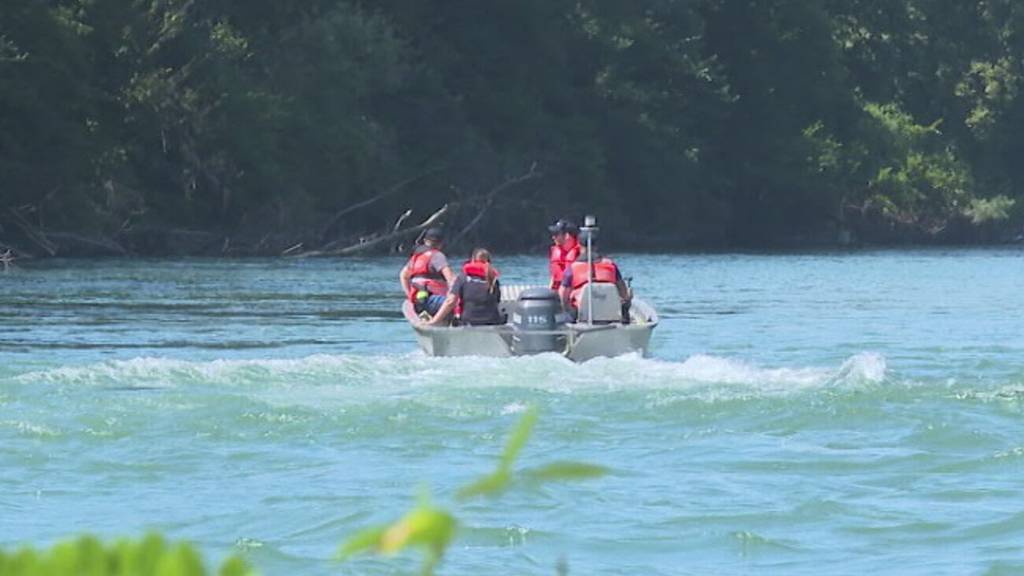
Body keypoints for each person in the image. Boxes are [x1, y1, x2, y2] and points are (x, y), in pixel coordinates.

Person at [425, 248, 504, 326]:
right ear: (489, 262)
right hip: (492, 322)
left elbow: (450, 301)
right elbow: (496, 302)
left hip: (469, 322)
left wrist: (434, 321)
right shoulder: (493, 280)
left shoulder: (462, 278)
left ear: (472, 260)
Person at [558, 245, 632, 322]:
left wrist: (566, 308)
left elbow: (562, 296)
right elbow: (623, 292)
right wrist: (626, 301)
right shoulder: (611, 265)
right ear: (596, 247)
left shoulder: (572, 268)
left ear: (580, 247)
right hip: (610, 311)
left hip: (581, 314)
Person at [399, 228, 456, 316]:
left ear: (425, 241)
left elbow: (403, 275)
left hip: (418, 301)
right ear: (441, 243)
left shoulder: (417, 256)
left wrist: (409, 295)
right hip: (433, 301)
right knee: (460, 303)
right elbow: (451, 279)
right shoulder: (437, 256)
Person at [547, 219, 581, 290]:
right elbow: (553, 278)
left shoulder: (581, 253)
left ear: (567, 236)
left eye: (556, 234)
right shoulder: (555, 251)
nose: (553, 237)